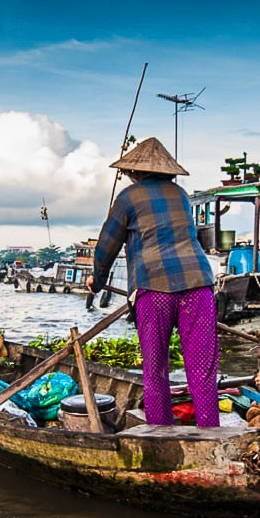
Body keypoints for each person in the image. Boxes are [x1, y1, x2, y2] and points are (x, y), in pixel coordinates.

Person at [87, 137, 220, 427]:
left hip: (155, 288)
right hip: (199, 285)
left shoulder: (128, 197)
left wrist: (96, 282)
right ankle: (210, 431)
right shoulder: (181, 195)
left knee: (155, 368)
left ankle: (160, 431)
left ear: (134, 172)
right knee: (202, 369)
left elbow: (106, 245)